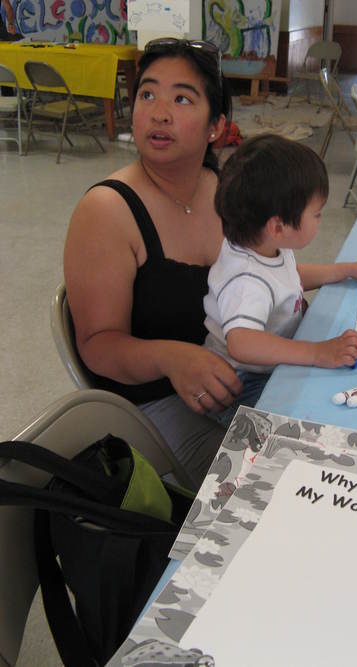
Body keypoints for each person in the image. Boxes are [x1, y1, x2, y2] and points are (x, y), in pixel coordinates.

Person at [64, 38, 243, 490]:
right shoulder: (108, 209)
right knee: (259, 482)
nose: (159, 113)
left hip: (229, 373)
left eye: (181, 98)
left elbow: (259, 270)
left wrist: (343, 273)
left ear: (216, 126)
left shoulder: (219, 185)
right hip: (153, 403)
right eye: (148, 94)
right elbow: (97, 345)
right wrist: (171, 357)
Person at [203, 134, 357, 426]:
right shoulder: (246, 280)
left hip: (263, 364)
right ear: (278, 226)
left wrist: (349, 269)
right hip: (239, 384)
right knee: (316, 415)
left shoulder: (263, 245)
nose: (320, 219)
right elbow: (241, 343)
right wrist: (316, 352)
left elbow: (289, 279)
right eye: (316, 214)